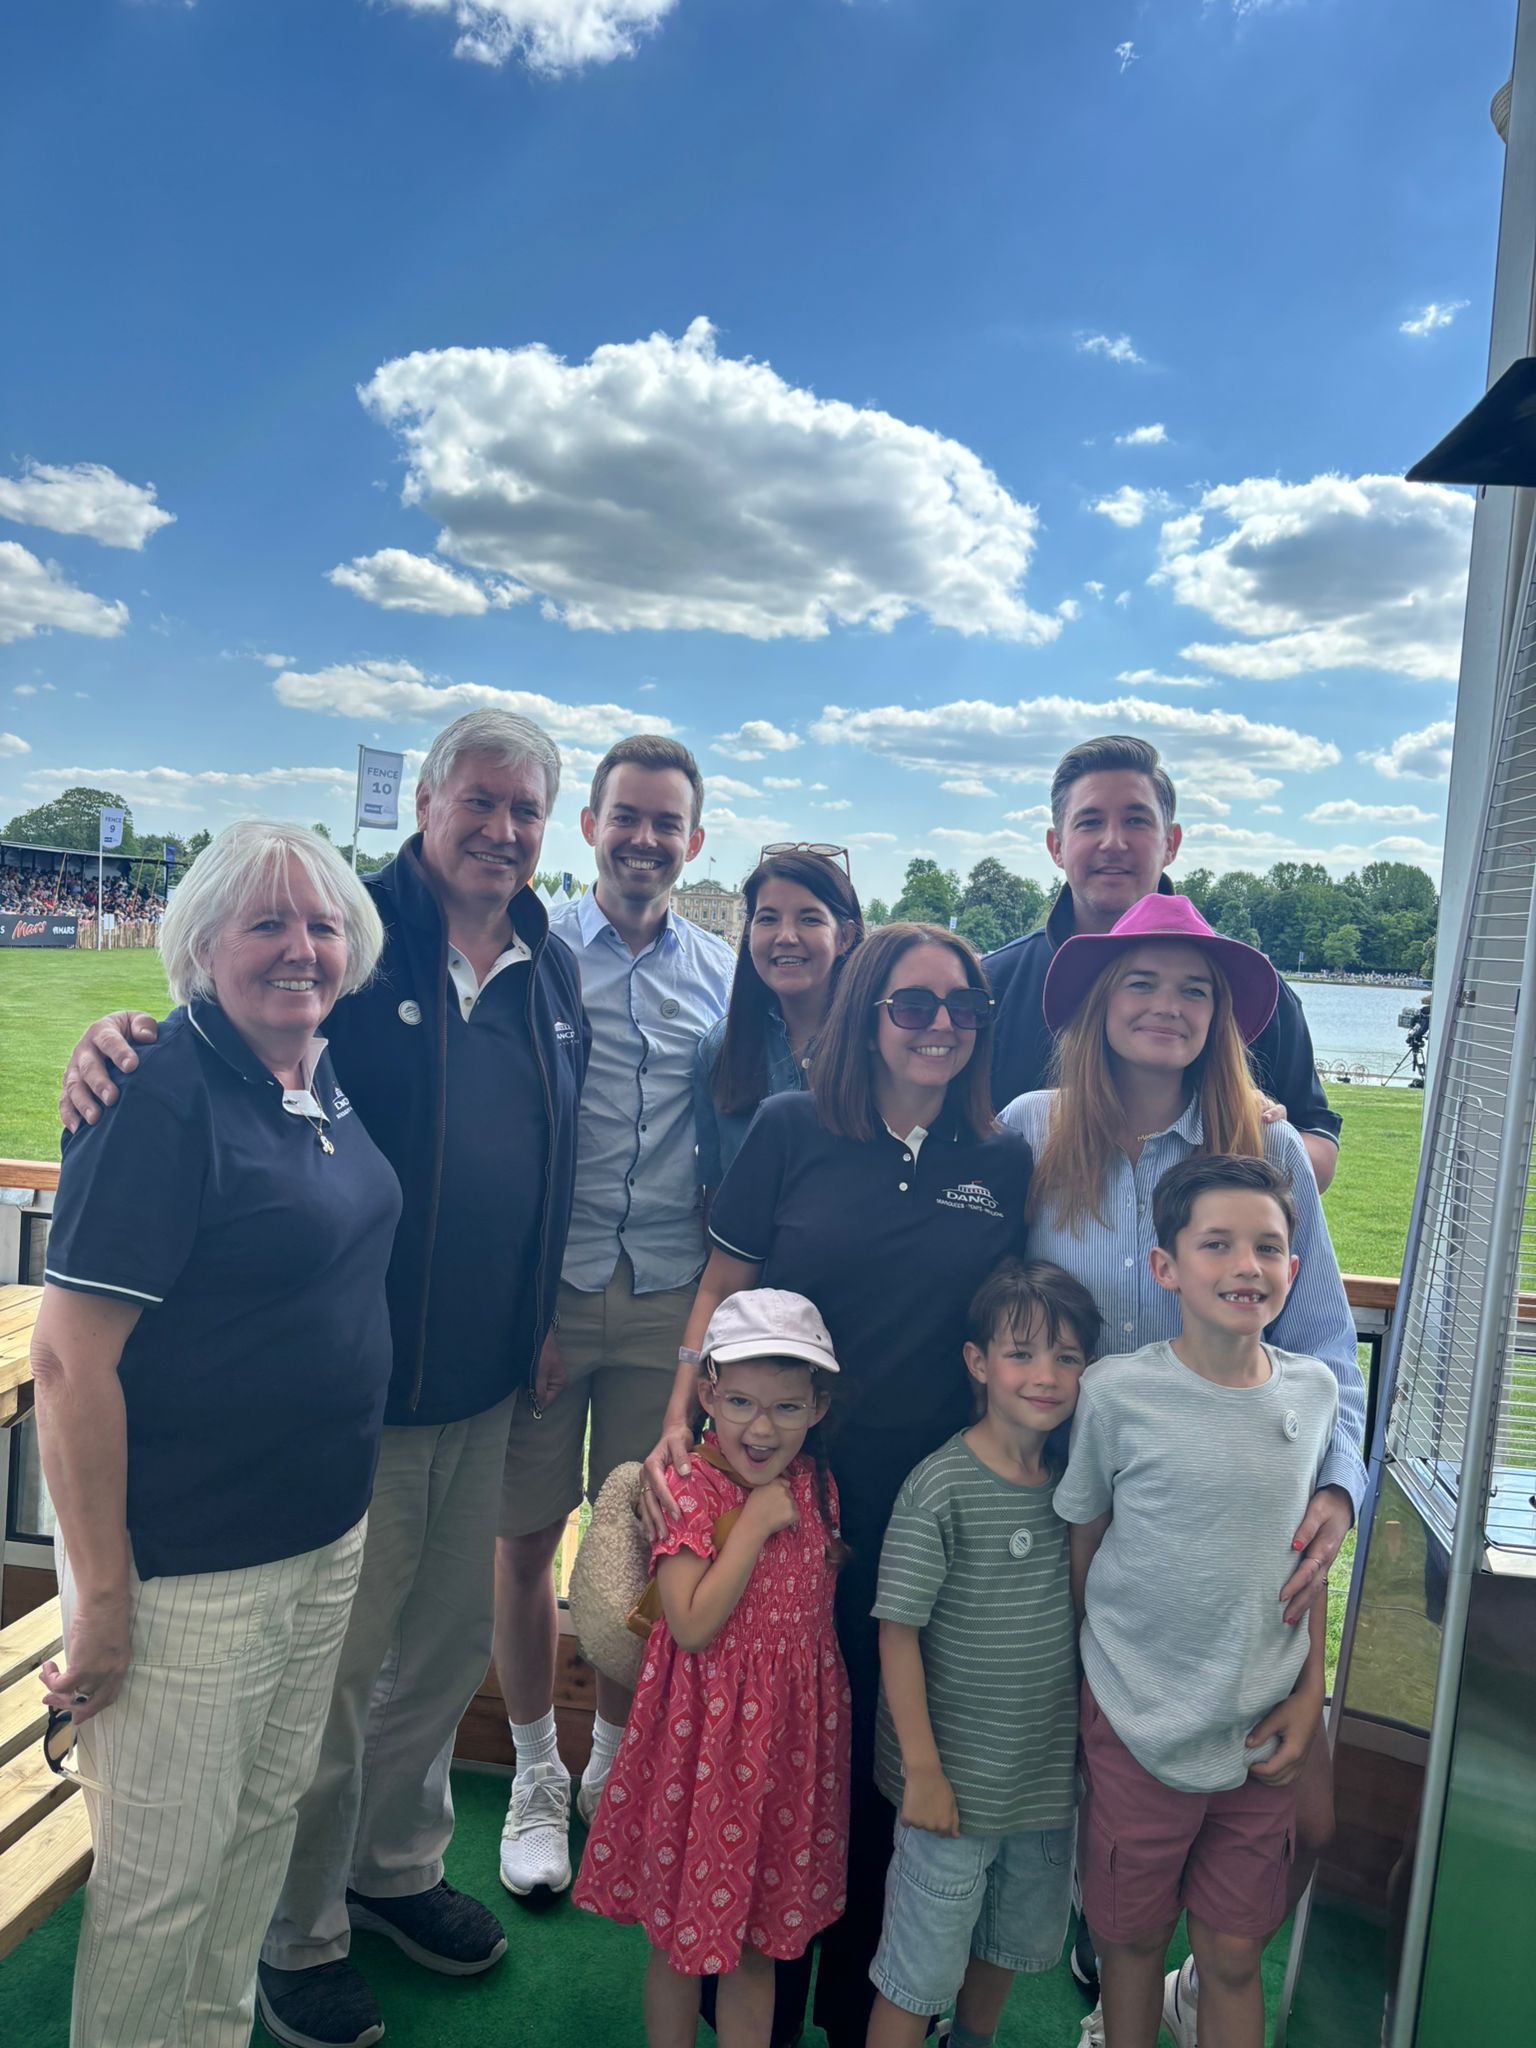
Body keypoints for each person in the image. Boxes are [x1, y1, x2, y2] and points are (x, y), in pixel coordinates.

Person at [59, 709, 587, 2048]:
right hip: (270, 1490)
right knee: (278, 1759)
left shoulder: (532, 970)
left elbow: (530, 1156)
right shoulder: (317, 973)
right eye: (480, 800)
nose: (502, 829)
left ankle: (390, 1873)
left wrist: (532, 1316)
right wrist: (123, 1039)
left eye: (527, 808)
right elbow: (76, 1350)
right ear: (425, 801)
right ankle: (306, 1937)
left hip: (444, 1407)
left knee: (420, 1668)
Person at [33, 822, 402, 2048]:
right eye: (267, 923)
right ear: (199, 947)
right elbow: (68, 1357)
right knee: (164, 1888)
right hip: (193, 1571)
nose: (302, 947)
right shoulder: (158, 1089)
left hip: (320, 1539)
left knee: (252, 1846)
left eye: (323, 924)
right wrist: (99, 1593)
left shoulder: (315, 1066)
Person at [643, 921, 1034, 2048]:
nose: (943, 1025)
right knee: (775, 1755)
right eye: (914, 1004)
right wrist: (681, 1417)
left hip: (932, 1509)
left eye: (964, 1006)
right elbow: (724, 1283)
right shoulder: (789, 1127)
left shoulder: (1000, 1159)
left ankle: (866, 2014)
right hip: (789, 1489)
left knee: (875, 1762)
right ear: (866, 1012)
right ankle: (741, 1998)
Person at [996, 890, 1364, 2048]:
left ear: (1224, 1014)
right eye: (1142, 982)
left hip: (1242, 1540)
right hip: (1067, 1522)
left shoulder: (1261, 1145)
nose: (1167, 1005)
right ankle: (1111, 1974)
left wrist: (1338, 1486)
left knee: (1304, 1810)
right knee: (1088, 1784)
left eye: (1194, 987)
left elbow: (1321, 1344)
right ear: (1099, 1002)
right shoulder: (1030, 1129)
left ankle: (1211, 1973)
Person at [495, 735, 735, 1897]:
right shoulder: (531, 951)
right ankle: (536, 1768)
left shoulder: (720, 972)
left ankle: (614, 1762)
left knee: (639, 1542)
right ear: (588, 824)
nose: (645, 838)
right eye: (625, 816)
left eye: (667, 822)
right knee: (528, 1536)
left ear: (695, 837)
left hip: (666, 1301)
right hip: (551, 1300)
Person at [1056, 1155, 1338, 2048]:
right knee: (1131, 1947)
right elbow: (1085, 1541)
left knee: (1232, 1957)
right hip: (1136, 1726)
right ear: (1165, 1267)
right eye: (1216, 1244)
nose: (1245, 1266)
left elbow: (1307, 1564)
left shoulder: (1316, 1394)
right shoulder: (1115, 1394)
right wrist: (1083, 1689)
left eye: (1267, 1247)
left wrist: (1307, 1692)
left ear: (1295, 1270)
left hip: (1262, 1732)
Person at [573, 1289, 850, 2048]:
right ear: (706, 1395)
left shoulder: (818, 1489)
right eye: (740, 1402)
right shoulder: (688, 1491)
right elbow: (691, 1625)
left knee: (756, 1946)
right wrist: (755, 1526)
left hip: (782, 1757)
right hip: (701, 1753)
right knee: (677, 1942)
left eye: (787, 1407)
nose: (761, 1428)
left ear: (818, 1406)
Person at [867, 1260, 1100, 2048]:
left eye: (1067, 1358)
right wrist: (924, 1771)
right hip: (951, 1794)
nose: (1046, 1375)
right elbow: (896, 1632)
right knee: (915, 1973)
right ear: (978, 1363)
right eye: (1024, 1353)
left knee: (1004, 1948)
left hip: (1039, 1789)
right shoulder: (939, 1487)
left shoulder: (1075, 1487)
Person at [981, 734, 1341, 1190]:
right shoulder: (992, 986)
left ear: (1171, 842)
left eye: (1136, 820)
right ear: (1056, 845)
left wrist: (1255, 1136)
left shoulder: (1244, 984)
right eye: (1090, 822)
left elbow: (1319, 1150)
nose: (1113, 842)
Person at [693, 847, 864, 1197]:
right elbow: (714, 1192)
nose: (786, 936)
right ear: (748, 933)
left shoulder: (880, 1045)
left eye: (809, 919)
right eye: (768, 918)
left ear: (845, 937)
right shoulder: (718, 1048)